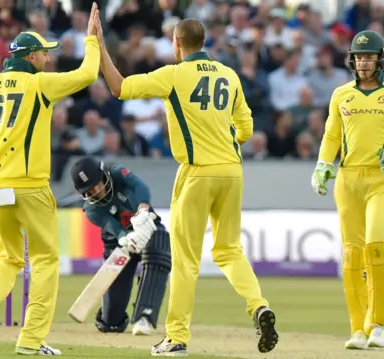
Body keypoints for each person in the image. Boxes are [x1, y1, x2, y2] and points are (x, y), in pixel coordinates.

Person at [97, 18, 278, 356]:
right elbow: (247, 129)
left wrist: (100, 47)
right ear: (204, 41)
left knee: (184, 261)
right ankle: (258, 306)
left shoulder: (174, 75)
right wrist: (224, 140)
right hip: (232, 172)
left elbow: (119, 88)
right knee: (229, 251)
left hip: (196, 173)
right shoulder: (229, 75)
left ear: (177, 44)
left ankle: (176, 337)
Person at [0, 3, 102, 356]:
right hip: (31, 186)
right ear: (30, 57)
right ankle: (30, 341)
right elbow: (89, 75)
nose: (48, 58)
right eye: (44, 53)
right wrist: (92, 41)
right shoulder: (39, 84)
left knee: (9, 258)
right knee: (45, 261)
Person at [311, 30, 384, 350]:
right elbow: (331, 136)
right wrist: (321, 165)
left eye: (369, 57)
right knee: (351, 255)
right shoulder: (340, 94)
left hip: (382, 180)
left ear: (381, 59)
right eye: (359, 57)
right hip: (347, 181)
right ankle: (358, 329)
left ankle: (380, 324)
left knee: (376, 245)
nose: (363, 62)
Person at [69, 157, 170, 336]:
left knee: (159, 241)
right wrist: (126, 238)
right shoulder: (92, 211)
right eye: (91, 190)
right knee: (111, 324)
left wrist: (144, 211)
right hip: (119, 243)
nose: (98, 191)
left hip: (147, 225)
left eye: (98, 184)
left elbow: (141, 187)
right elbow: (115, 229)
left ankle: (144, 315)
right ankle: (109, 318)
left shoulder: (117, 172)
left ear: (104, 174)